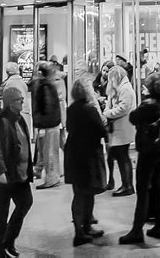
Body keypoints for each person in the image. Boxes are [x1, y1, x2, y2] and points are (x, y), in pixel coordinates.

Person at [119, 72, 160, 245]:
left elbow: (133, 117)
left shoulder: (149, 105)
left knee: (143, 189)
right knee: (159, 187)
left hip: (149, 150)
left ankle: (137, 230)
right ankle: (159, 226)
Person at [0, 84, 34, 258]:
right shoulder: (0, 121)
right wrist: (0, 172)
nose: (23, 102)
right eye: (20, 100)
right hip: (3, 176)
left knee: (25, 202)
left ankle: (8, 240)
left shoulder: (19, 119)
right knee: (1, 211)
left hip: (19, 174)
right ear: (11, 102)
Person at [64, 75, 107, 246]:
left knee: (79, 193)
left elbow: (70, 128)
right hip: (89, 155)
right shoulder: (90, 109)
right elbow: (101, 130)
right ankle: (84, 229)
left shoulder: (71, 109)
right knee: (87, 192)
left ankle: (81, 229)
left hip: (74, 153)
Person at [103, 65, 135, 196]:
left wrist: (107, 113)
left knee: (123, 158)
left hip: (123, 128)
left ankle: (127, 185)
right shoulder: (119, 88)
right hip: (117, 129)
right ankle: (125, 184)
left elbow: (123, 108)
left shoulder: (125, 89)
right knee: (120, 157)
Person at [31, 61, 63, 188]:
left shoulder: (45, 86)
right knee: (49, 151)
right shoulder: (48, 85)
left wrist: (41, 122)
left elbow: (47, 107)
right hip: (50, 123)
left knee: (49, 152)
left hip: (48, 124)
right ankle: (53, 176)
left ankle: (52, 178)